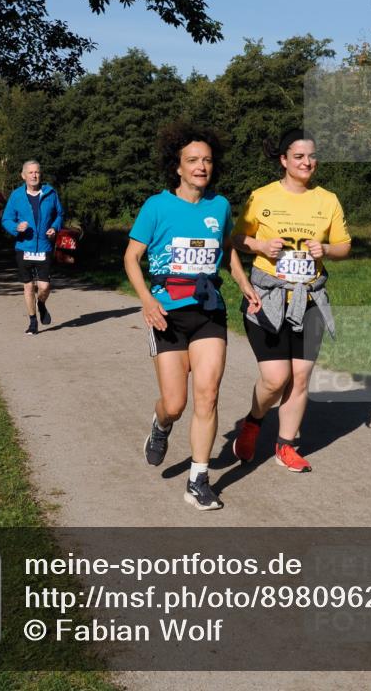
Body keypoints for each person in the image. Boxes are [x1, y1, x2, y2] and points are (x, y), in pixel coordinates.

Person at [124, 123, 260, 511]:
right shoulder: (157, 206)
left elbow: (227, 248)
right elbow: (131, 258)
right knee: (175, 403)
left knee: (209, 394)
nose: (201, 167)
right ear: (178, 167)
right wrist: (147, 301)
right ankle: (161, 425)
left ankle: (198, 479)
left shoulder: (219, 206)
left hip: (207, 311)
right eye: (193, 161)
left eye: (207, 160)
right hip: (166, 313)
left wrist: (243, 282)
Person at [231, 129, 352, 472]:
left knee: (300, 377)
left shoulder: (327, 200)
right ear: (283, 160)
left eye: (312, 156)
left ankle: (286, 445)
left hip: (309, 298)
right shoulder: (262, 197)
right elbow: (237, 238)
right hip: (268, 299)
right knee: (275, 378)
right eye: (299, 156)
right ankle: (254, 422)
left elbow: (344, 246)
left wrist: (326, 249)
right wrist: (259, 246)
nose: (307, 162)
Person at [1, 161, 64, 335]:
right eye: (30, 172)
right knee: (28, 287)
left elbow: (59, 214)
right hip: (24, 246)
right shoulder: (16, 196)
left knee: (44, 287)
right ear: (23, 176)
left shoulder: (50, 193)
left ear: (40, 174)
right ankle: (32, 322)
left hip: (44, 246)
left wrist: (55, 227)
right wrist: (15, 227)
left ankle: (41, 303)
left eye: (37, 172)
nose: (34, 175)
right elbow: (6, 219)